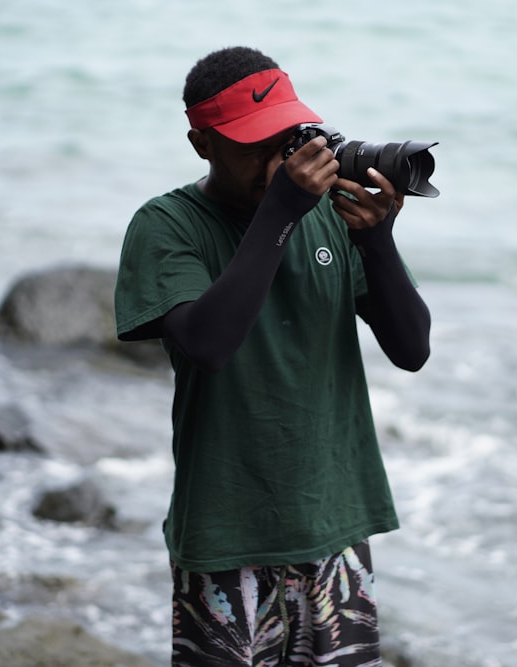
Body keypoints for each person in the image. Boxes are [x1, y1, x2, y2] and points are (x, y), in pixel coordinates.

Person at [114, 46, 431, 667]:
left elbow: (412, 349)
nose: (277, 157)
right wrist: (282, 211)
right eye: (254, 143)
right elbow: (207, 344)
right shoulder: (168, 225)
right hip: (227, 531)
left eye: (286, 136)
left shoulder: (330, 218)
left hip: (335, 522)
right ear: (201, 143)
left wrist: (379, 242)